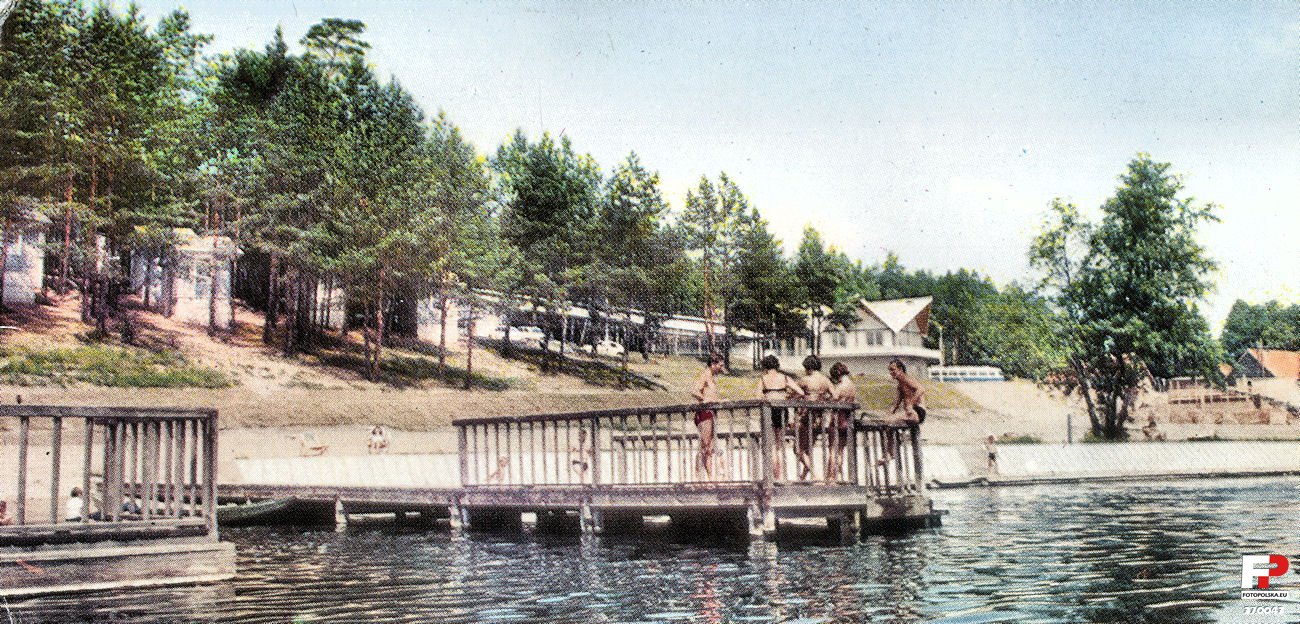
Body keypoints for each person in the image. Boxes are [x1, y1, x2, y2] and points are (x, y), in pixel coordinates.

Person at [757, 354, 805, 482]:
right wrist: (789, 398)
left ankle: (774, 476)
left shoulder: (763, 379)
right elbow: (801, 392)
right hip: (782, 410)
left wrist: (767, 396)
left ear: (765, 366)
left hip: (769, 411)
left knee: (772, 445)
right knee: (779, 446)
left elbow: (757, 397)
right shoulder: (784, 377)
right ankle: (780, 476)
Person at [881, 359, 926, 467]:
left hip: (917, 411)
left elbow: (921, 389)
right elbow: (896, 403)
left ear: (900, 369)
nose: (891, 372)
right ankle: (892, 449)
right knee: (886, 422)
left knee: (887, 422)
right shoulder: (900, 385)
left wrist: (911, 404)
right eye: (889, 370)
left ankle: (890, 453)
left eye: (893, 370)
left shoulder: (907, 379)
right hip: (910, 412)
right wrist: (890, 412)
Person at [796, 355, 833, 481]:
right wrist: (823, 400)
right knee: (808, 448)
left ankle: (814, 475)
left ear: (808, 367)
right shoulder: (825, 380)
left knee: (798, 449)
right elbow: (835, 395)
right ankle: (803, 477)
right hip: (820, 417)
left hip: (806, 416)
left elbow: (792, 394)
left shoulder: (805, 380)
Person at [691, 354, 726, 480]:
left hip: (711, 412)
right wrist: (705, 400)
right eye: (720, 365)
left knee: (709, 446)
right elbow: (694, 391)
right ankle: (700, 475)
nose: (722, 368)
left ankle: (710, 476)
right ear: (713, 364)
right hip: (704, 413)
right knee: (705, 445)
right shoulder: (705, 375)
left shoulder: (711, 377)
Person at [826, 362, 857, 482]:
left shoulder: (841, 386)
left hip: (838, 419)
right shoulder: (852, 385)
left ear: (837, 374)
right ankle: (837, 477)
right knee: (840, 451)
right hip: (848, 420)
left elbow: (834, 399)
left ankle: (831, 477)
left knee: (833, 450)